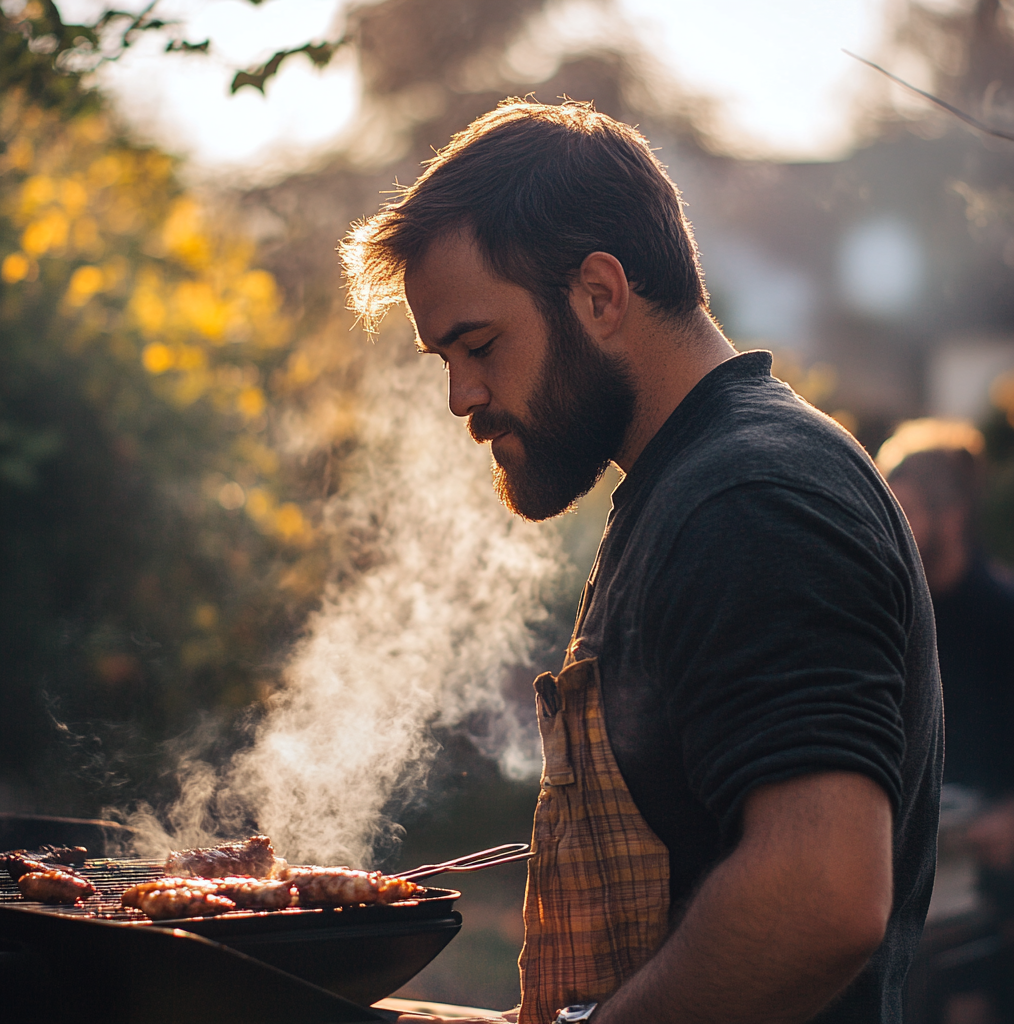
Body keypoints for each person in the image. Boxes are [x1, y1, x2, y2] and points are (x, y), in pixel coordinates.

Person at [340, 100, 942, 1024]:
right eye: (445, 359)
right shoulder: (692, 491)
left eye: (480, 345)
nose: (461, 396)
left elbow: (823, 894)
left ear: (600, 295)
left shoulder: (750, 499)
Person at [878, 420, 1014, 1023]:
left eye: (902, 512)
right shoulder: (890, 624)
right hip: (909, 911)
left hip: (994, 912)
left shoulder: (1005, 619)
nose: (887, 531)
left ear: (952, 518)